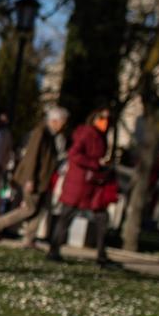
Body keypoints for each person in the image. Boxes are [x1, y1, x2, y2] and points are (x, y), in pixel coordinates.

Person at [0, 107, 68, 247]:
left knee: (38, 210)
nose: (64, 125)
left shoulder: (50, 135)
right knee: (29, 209)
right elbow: (32, 157)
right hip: (34, 179)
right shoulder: (41, 132)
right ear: (55, 121)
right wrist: (29, 179)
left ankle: (29, 239)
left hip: (43, 179)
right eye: (63, 122)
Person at [47, 107, 116, 264]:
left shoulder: (101, 137)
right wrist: (95, 163)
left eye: (107, 119)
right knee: (66, 217)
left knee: (101, 217)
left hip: (93, 185)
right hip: (78, 184)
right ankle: (54, 250)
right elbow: (74, 155)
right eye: (102, 118)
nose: (105, 122)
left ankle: (101, 255)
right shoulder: (86, 133)